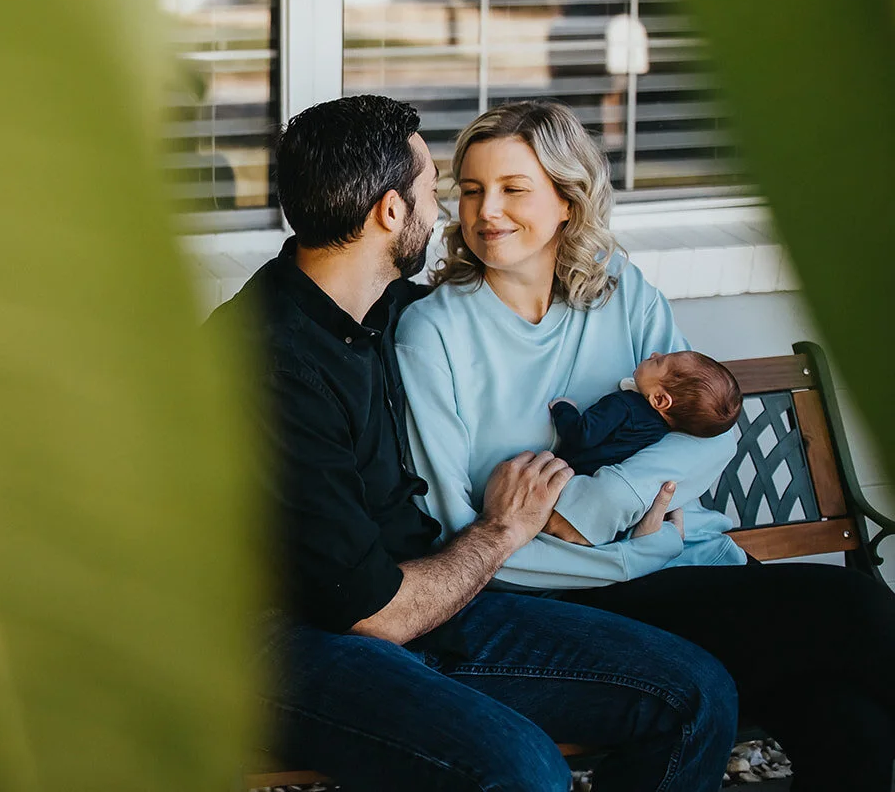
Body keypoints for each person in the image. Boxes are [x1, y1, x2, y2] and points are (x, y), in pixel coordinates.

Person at [206, 95, 736, 792]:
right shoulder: (269, 363)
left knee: (695, 694)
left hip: (420, 596)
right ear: (390, 212)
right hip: (289, 636)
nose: (449, 213)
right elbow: (370, 613)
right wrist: (501, 529)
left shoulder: (373, 307)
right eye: (437, 190)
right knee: (522, 769)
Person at [397, 99, 895, 790]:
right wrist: (622, 544)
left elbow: (708, 436)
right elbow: (453, 523)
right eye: (474, 189)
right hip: (560, 591)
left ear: (568, 201)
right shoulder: (433, 331)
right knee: (852, 610)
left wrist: (591, 509)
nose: (488, 212)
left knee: (848, 721)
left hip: (684, 561)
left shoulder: (620, 292)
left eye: (514, 188)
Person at [550, 350, 742, 479]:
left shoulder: (623, 406)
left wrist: (563, 408)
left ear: (659, 399)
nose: (654, 354)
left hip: (569, 474)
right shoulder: (659, 432)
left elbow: (583, 434)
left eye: (658, 361)